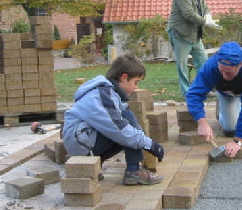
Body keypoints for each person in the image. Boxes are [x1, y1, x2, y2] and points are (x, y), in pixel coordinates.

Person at [62, 53, 165, 185]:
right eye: (136, 82)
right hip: (81, 144)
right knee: (127, 120)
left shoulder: (107, 91)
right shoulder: (102, 95)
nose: (136, 87)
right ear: (124, 77)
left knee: (126, 121)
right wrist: (151, 145)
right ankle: (134, 171)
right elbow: (120, 130)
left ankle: (94, 167)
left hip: (81, 140)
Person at [186, 42, 242, 158]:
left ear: (241, 64)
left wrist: (238, 141)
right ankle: (222, 110)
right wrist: (201, 122)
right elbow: (193, 94)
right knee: (230, 130)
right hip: (226, 91)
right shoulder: (211, 66)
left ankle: (232, 110)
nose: (224, 76)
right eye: (221, 71)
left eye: (228, 72)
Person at [167, 0, 222, 97]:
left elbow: (205, 8)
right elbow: (188, 14)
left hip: (194, 35)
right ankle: (187, 92)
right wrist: (205, 23)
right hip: (180, 34)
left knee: (203, 62)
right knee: (182, 66)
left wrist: (208, 15)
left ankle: (204, 89)